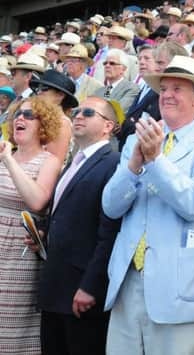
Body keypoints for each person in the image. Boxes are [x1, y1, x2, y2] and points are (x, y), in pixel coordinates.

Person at [102, 56, 194, 355]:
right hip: (128, 279)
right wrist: (134, 164)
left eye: (177, 88)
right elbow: (110, 207)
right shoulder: (140, 139)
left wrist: (156, 160)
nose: (167, 95)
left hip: (182, 286)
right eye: (163, 89)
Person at [35, 97, 121, 355]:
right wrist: (44, 231)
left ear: (108, 126)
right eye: (76, 111)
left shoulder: (112, 162)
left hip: (81, 292)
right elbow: (67, 214)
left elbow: (109, 231)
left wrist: (91, 286)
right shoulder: (76, 160)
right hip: (56, 286)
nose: (78, 116)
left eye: (88, 112)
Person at [0, 97, 62, 354]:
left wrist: (8, 160)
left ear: (43, 125)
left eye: (28, 116)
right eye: (17, 115)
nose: (20, 119)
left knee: (13, 332)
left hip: (20, 253)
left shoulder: (50, 161)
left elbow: (37, 201)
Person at [30, 69, 77, 164]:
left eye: (44, 88)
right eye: (38, 88)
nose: (39, 92)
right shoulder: (42, 119)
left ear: (60, 95)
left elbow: (53, 164)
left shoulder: (62, 123)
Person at [93, 49, 140, 113]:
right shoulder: (99, 91)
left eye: (112, 63)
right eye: (105, 63)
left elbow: (118, 111)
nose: (107, 66)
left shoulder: (131, 88)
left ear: (123, 69)